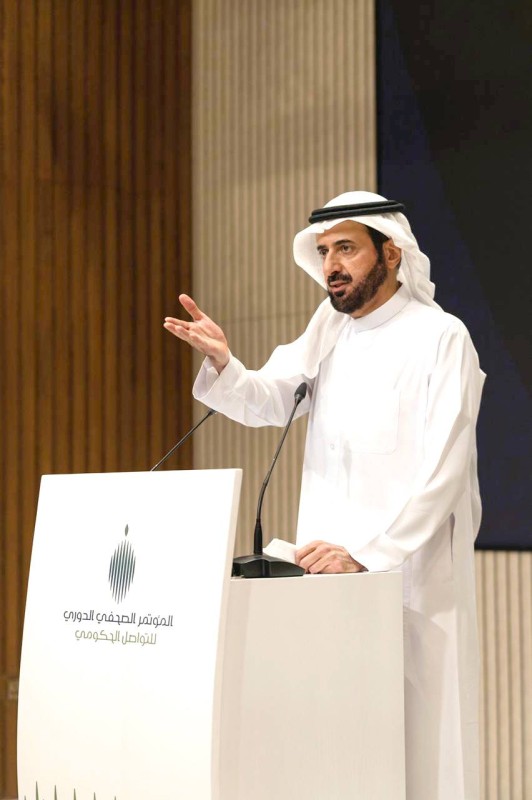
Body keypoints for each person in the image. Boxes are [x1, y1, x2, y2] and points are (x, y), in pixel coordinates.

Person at [164, 190, 484, 800]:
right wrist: (226, 363)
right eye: (323, 252)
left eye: (346, 249)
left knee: (422, 745)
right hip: (326, 579)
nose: (331, 265)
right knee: (340, 745)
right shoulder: (329, 328)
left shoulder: (443, 337)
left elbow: (445, 471)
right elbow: (269, 399)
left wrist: (368, 554)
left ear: (391, 253)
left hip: (412, 580)